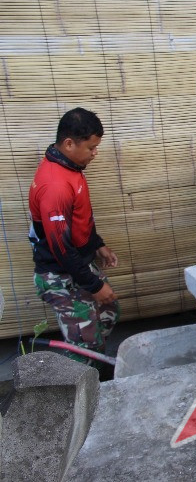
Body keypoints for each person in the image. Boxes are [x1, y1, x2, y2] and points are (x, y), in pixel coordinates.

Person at [28, 107, 119, 369]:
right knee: (85, 345)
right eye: (91, 147)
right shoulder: (55, 185)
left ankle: (92, 361)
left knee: (109, 312)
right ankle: (81, 384)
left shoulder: (71, 168)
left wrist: (97, 244)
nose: (95, 153)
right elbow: (60, 248)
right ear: (69, 144)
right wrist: (93, 285)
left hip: (76, 262)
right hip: (58, 273)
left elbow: (79, 219)